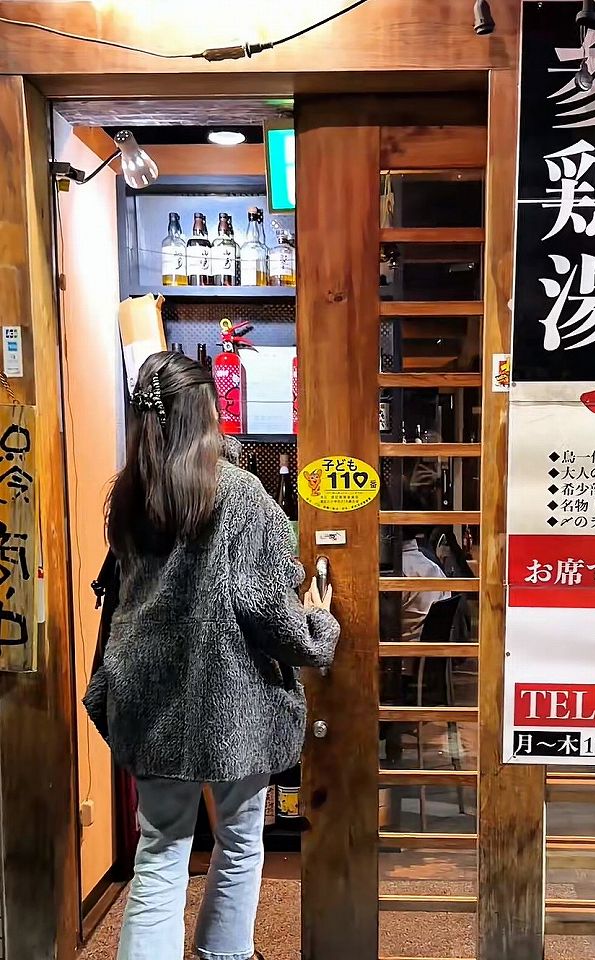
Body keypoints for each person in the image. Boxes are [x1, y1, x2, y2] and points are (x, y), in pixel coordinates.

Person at [83, 351, 339, 960]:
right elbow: (267, 610)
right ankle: (224, 953)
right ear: (206, 413)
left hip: (146, 700)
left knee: (160, 849)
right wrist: (319, 625)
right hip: (233, 705)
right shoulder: (240, 494)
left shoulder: (128, 494)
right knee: (242, 840)